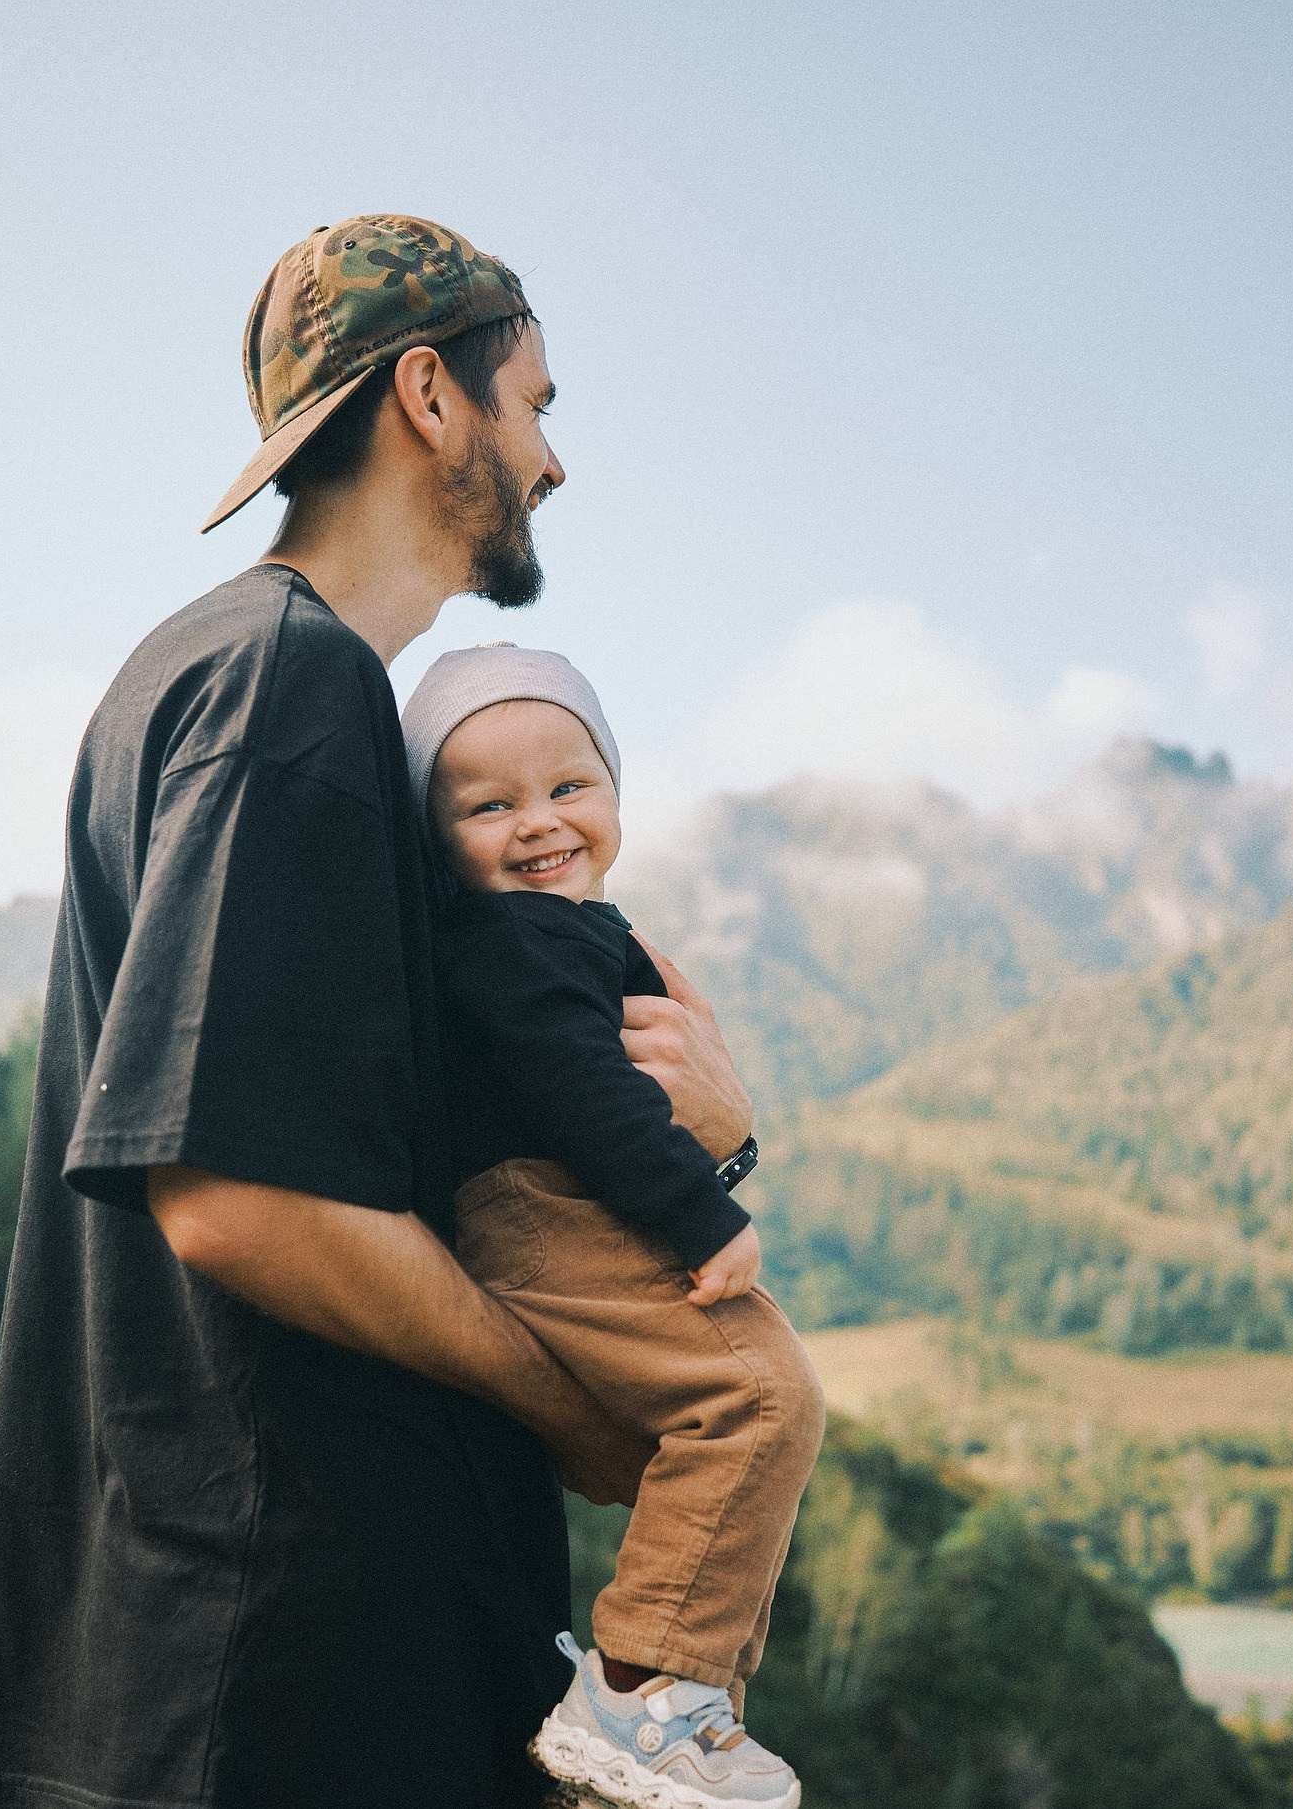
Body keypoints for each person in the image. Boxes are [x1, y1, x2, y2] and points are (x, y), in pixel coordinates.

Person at [0, 215, 755, 1809]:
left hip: (195, 1661)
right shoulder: (288, 690)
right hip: (283, 1682)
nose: (553, 457)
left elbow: (401, 1133)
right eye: (533, 401)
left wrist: (694, 1112)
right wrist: (562, 1388)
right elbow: (241, 1195)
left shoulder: (203, 678)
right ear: (430, 398)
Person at [404, 644, 824, 1809]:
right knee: (754, 1398)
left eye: (568, 787)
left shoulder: (573, 931)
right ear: (436, 836)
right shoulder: (514, 941)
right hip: (541, 1209)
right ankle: (639, 1703)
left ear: (615, 791)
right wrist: (701, 1208)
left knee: (749, 1410)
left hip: (566, 1206)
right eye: (488, 804)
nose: (538, 822)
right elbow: (582, 1091)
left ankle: (680, 1716)